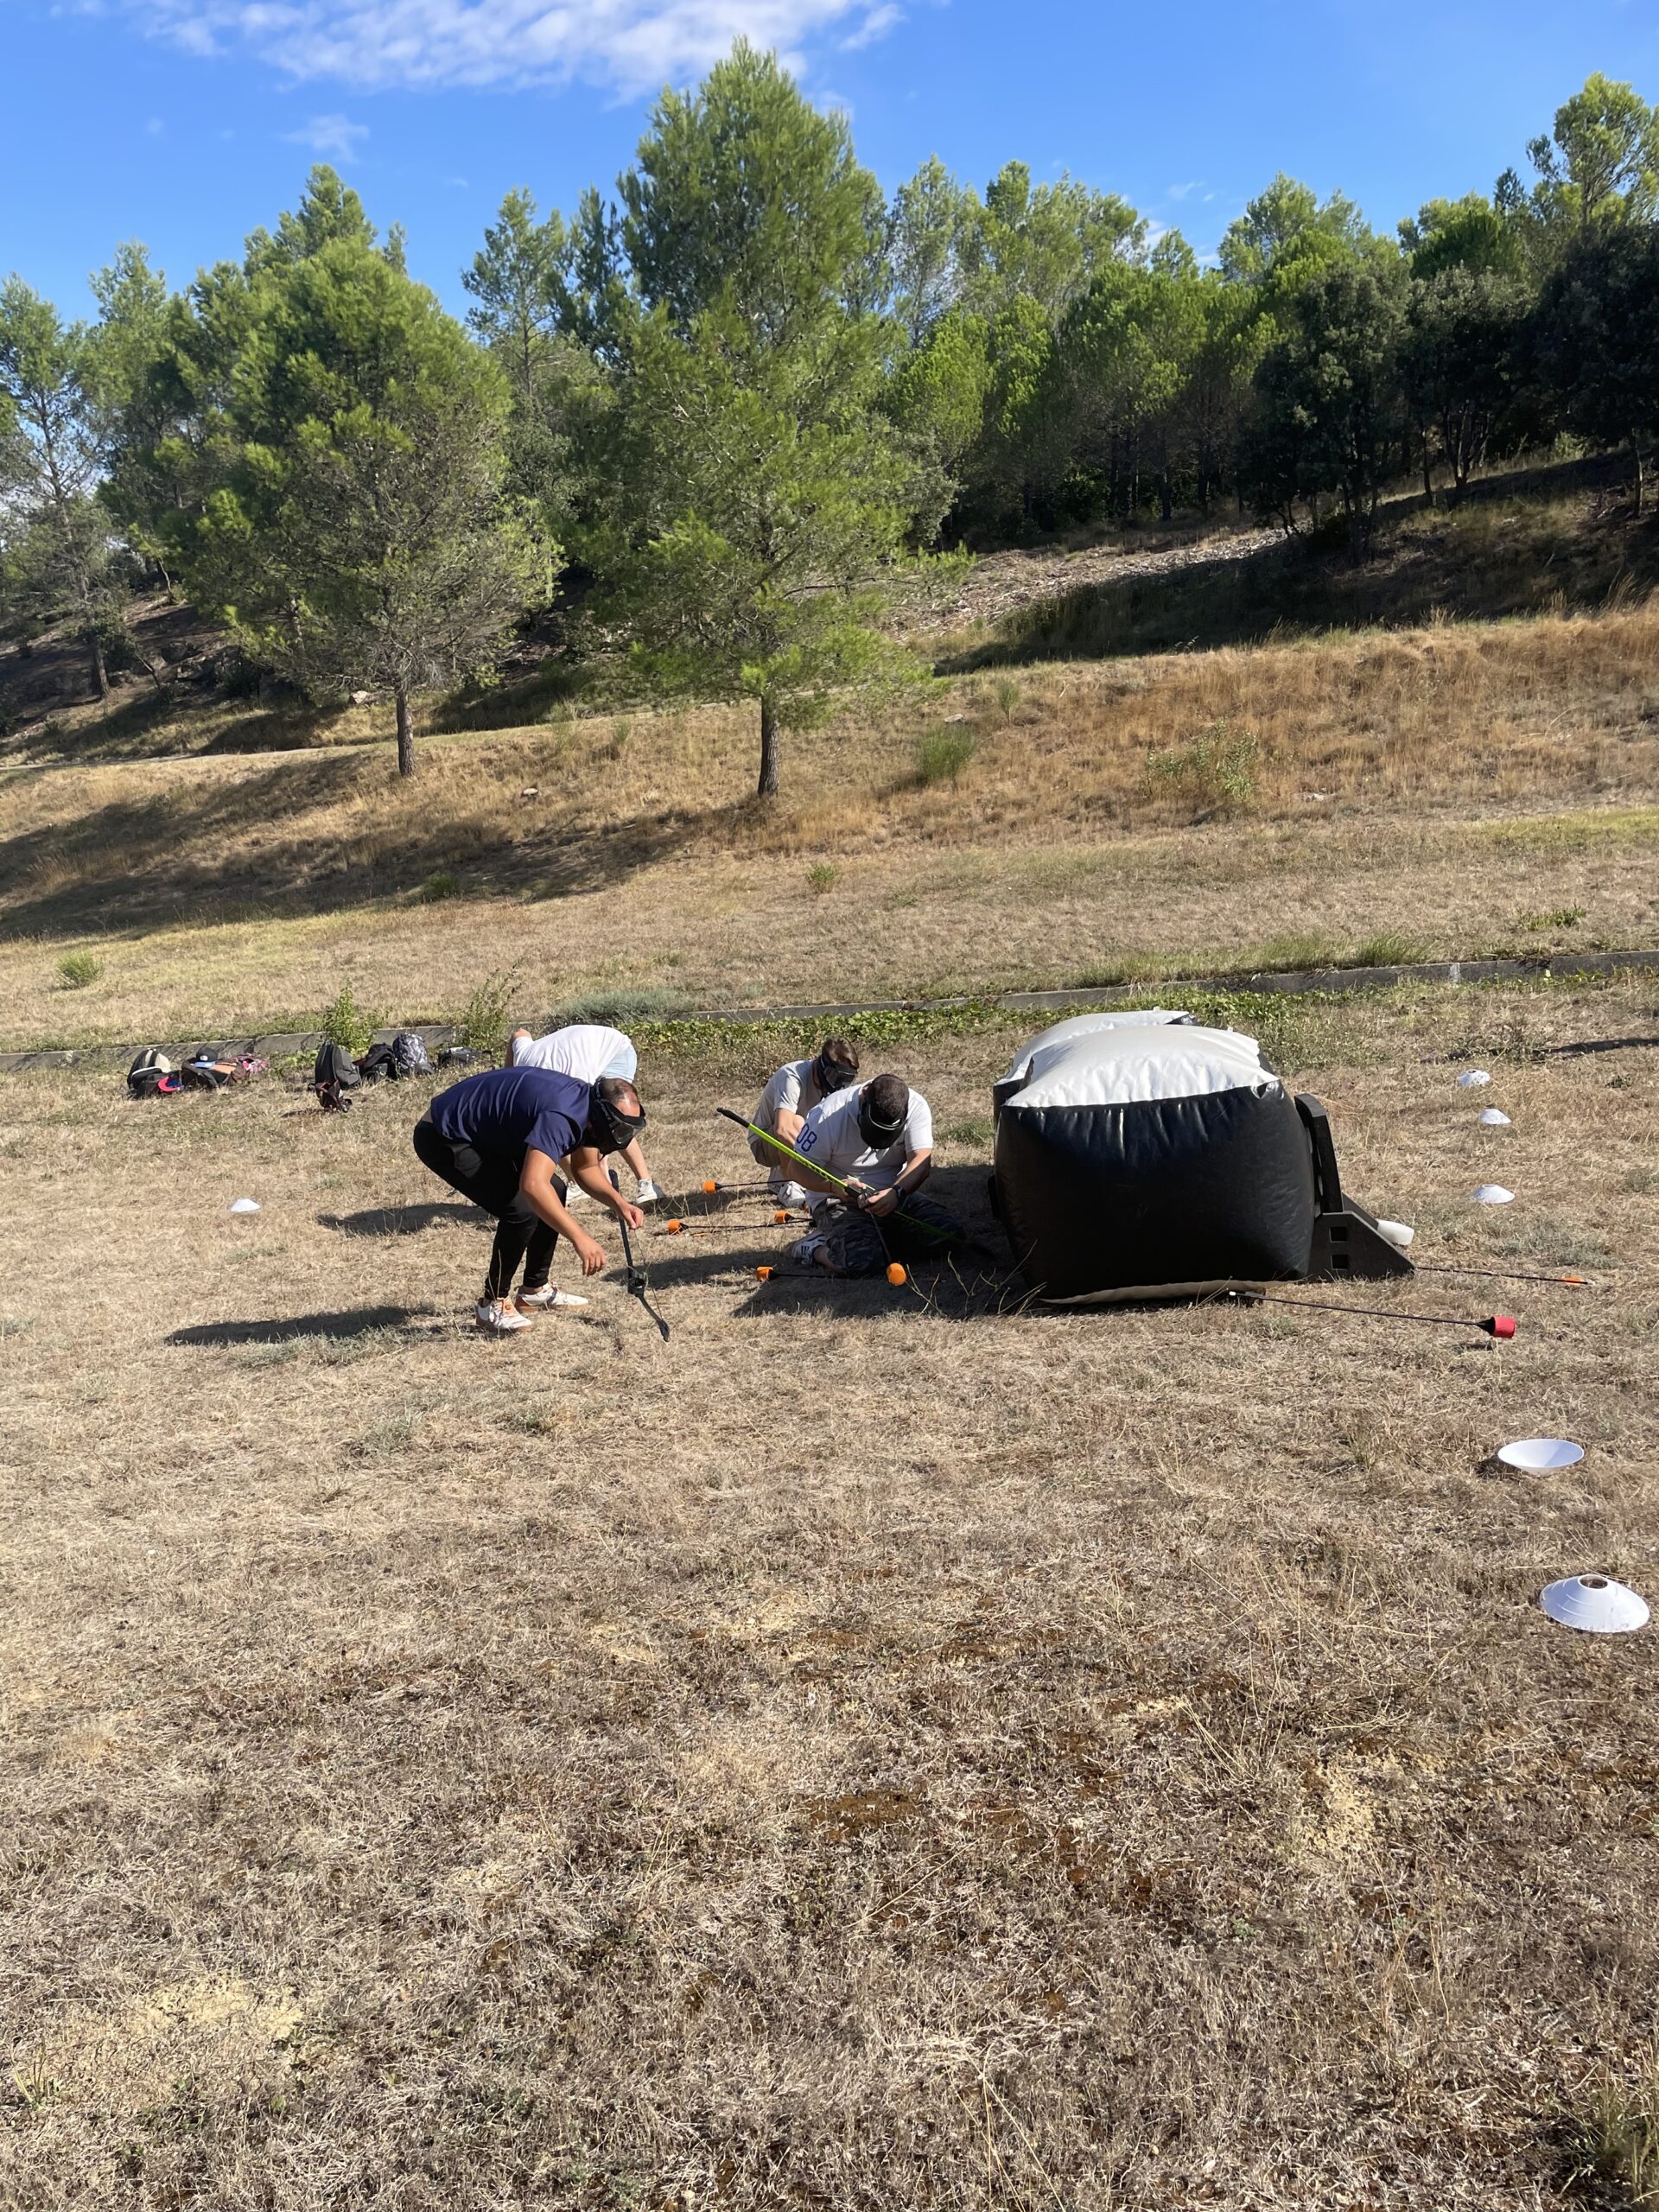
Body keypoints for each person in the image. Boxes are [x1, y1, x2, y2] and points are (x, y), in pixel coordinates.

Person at [413, 1064, 648, 1335]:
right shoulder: (564, 1115)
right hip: (445, 1134)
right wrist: (580, 1237)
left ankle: (534, 1290)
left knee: (556, 1190)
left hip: (487, 1134)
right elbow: (533, 1186)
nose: (623, 1137)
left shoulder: (589, 1109)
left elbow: (584, 1170)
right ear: (603, 1115)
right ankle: (492, 1304)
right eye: (620, 1128)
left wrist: (618, 1202)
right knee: (521, 1209)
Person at [787, 1071, 963, 1275]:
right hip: (838, 1200)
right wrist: (833, 1187)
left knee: (949, 1237)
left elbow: (921, 1160)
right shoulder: (827, 1115)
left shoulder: (916, 1106)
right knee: (862, 1262)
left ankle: (874, 1243)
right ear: (863, 1100)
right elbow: (796, 1169)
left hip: (893, 1195)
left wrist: (896, 1192)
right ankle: (814, 1248)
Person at [506, 1022, 660, 1203]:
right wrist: (507, 1073)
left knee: (613, 1121)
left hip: (614, 1052)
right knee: (556, 1129)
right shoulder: (525, 1057)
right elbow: (519, 1033)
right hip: (575, 1053)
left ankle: (647, 1184)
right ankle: (577, 1185)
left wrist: (602, 1179)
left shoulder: (571, 1080)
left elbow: (594, 1126)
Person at [747, 1036, 860, 1205]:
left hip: (801, 1140)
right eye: (835, 1078)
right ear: (822, 1067)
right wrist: (821, 1164)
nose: (840, 1086)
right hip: (764, 1143)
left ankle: (780, 1177)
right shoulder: (792, 1077)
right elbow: (782, 1129)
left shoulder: (834, 1088)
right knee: (797, 1122)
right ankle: (789, 1183)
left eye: (847, 1080)